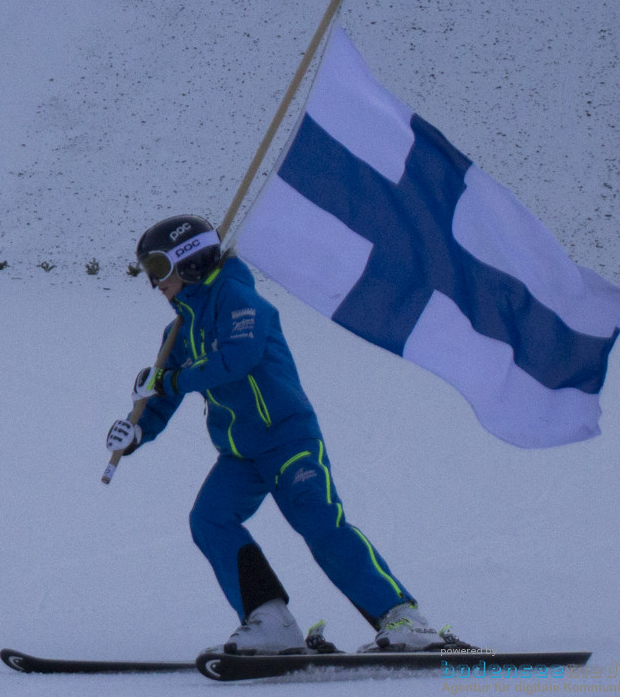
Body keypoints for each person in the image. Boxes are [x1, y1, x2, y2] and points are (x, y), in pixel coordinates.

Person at [106, 214, 461, 655]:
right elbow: (162, 396)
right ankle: (269, 620)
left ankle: (403, 617)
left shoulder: (239, 300)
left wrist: (170, 380)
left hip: (288, 440)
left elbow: (236, 359)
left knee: (318, 523)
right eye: (149, 273)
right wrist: (138, 430)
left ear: (190, 261)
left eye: (158, 270)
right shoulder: (178, 328)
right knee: (209, 519)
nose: (154, 284)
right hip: (240, 454)